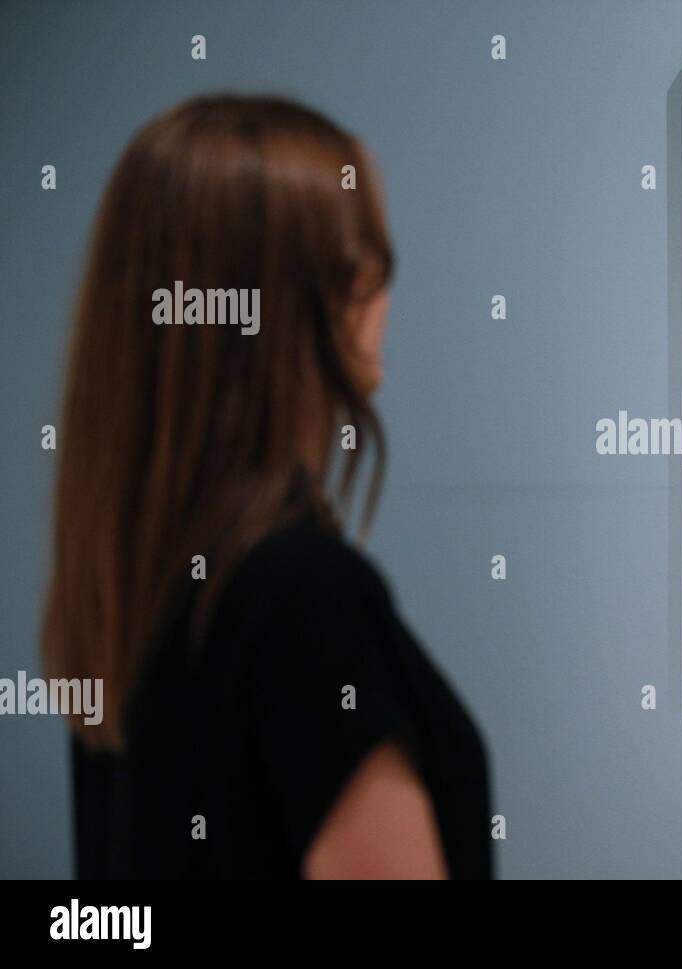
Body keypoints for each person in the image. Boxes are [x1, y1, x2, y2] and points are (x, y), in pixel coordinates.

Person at [41, 95, 492, 879]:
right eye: (363, 256)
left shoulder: (128, 602)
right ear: (305, 305)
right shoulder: (305, 602)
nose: (384, 285)